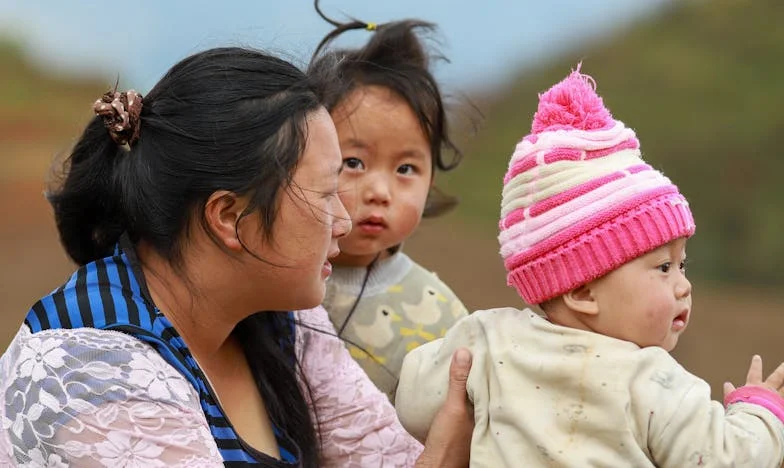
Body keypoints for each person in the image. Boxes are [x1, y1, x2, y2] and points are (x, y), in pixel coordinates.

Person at [0, 46, 474, 467]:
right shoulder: (92, 372)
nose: (344, 222)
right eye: (328, 191)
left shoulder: (285, 321)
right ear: (228, 216)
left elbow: (381, 455)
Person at [395, 67, 784, 466]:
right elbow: (732, 459)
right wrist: (759, 411)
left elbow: (414, 401)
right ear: (582, 290)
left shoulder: (487, 340)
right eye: (663, 268)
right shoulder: (653, 382)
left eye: (682, 265)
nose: (684, 286)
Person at [306, 4, 469, 399]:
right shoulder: (273, 286)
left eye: (406, 169)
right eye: (354, 162)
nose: (380, 191)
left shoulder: (441, 314)